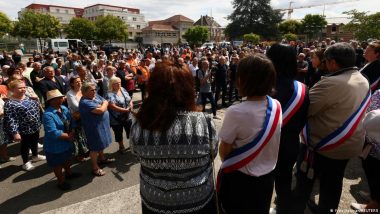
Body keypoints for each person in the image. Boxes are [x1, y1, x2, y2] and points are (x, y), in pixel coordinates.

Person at [130, 60, 218, 214]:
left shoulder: (138, 125)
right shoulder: (204, 122)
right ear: (189, 88)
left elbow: (136, 154)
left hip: (155, 203)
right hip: (198, 201)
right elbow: (212, 154)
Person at [293, 43, 370, 214]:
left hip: (324, 146)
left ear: (333, 63)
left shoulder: (331, 83)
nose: (324, 65)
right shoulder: (362, 78)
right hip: (348, 145)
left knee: (304, 183)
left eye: (326, 61)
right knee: (333, 184)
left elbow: (303, 110)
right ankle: (326, 210)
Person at [218, 54, 281, 213]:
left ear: (242, 80)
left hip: (240, 180)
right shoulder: (276, 105)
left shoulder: (236, 111)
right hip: (267, 177)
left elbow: (225, 150)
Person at [266, 43, 309, 214]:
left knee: (264, 183)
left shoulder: (265, 88)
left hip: (265, 145)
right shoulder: (303, 89)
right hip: (290, 145)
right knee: (284, 183)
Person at [43, 89, 81, 190]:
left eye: (61, 97)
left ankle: (68, 173)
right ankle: (61, 181)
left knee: (67, 158)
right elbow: (52, 132)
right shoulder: (48, 115)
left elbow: (72, 121)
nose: (61, 99)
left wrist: (72, 130)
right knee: (57, 164)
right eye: (58, 98)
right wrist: (68, 136)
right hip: (55, 144)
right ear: (51, 101)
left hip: (67, 140)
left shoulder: (64, 108)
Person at [3, 80, 45, 171]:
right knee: (25, 146)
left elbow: (36, 108)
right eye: (20, 88)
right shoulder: (10, 103)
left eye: (24, 87)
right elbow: (11, 119)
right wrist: (15, 133)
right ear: (12, 89)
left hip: (35, 125)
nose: (23, 89)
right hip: (23, 129)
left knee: (35, 142)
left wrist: (37, 100)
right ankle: (25, 162)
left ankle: (35, 156)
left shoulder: (28, 97)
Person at [351, 89, 380, 211]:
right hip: (372, 145)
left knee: (375, 174)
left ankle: (373, 207)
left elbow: (369, 121)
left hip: (375, 148)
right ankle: (374, 197)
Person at [79, 82, 113, 176]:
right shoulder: (85, 102)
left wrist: (103, 104)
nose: (94, 92)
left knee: (101, 144)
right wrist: (104, 104)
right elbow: (101, 110)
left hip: (101, 125)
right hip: (93, 128)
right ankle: (95, 167)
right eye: (92, 90)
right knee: (94, 148)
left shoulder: (95, 96)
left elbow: (104, 102)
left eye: (95, 90)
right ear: (84, 92)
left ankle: (102, 158)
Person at [106, 77, 133, 154]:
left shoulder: (123, 89)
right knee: (118, 132)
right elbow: (112, 106)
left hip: (127, 115)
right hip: (116, 118)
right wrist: (125, 110)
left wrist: (131, 105)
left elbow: (129, 99)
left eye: (120, 82)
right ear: (112, 84)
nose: (119, 84)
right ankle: (121, 146)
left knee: (131, 131)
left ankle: (132, 144)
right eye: (116, 83)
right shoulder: (109, 94)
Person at [66, 76, 89, 162]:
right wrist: (89, 106)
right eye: (76, 82)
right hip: (77, 118)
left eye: (80, 81)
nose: (79, 83)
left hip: (86, 116)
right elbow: (76, 106)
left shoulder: (83, 90)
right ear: (72, 84)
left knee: (86, 134)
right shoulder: (70, 93)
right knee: (78, 137)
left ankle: (86, 151)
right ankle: (79, 156)